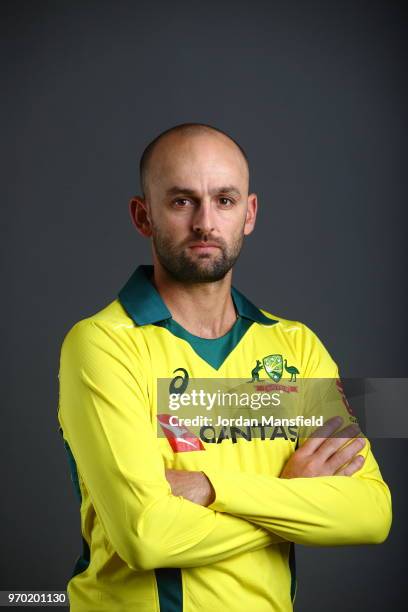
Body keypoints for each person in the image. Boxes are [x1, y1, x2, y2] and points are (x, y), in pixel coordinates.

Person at [57, 123, 392, 612]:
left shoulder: (296, 346)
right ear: (142, 215)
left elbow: (371, 513)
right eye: (181, 202)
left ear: (249, 213)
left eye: (225, 200)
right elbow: (146, 536)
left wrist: (213, 488)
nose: (205, 224)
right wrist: (287, 497)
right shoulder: (102, 345)